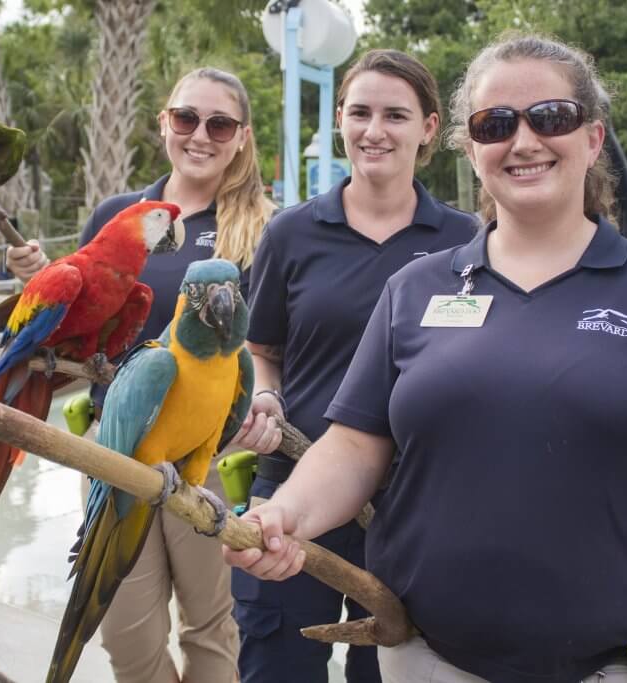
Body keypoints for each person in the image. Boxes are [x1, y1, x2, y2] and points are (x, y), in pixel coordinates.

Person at [225, 33, 627, 683]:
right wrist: (287, 514)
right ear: (471, 147)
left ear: (592, 139)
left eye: (552, 117)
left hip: (612, 667)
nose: (525, 139)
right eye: (496, 123)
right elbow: (353, 448)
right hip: (429, 660)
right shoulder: (415, 290)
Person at [6, 66, 275, 683]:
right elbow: (87, 331)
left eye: (220, 123)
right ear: (164, 123)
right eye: (186, 118)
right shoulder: (120, 213)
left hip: (205, 452)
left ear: (241, 136)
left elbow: (267, 349)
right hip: (119, 442)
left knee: (209, 625)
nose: (200, 135)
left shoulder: (264, 225)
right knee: (126, 634)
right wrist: (44, 285)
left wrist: (262, 403)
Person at [228, 49, 480, 683]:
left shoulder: (468, 242)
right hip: (296, 482)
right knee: (276, 664)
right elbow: (264, 350)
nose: (375, 130)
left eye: (396, 115)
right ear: (339, 118)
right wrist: (267, 399)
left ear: (428, 128)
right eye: (360, 112)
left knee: (394, 670)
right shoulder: (291, 233)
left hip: (415, 502)